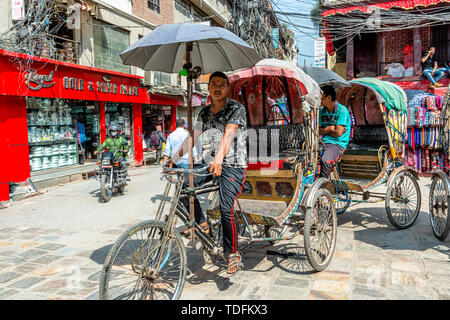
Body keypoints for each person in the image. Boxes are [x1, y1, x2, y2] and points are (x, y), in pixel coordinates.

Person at [167, 71, 247, 275]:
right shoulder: (203, 113)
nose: (217, 87)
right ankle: (203, 224)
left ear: (227, 88)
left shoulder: (236, 108)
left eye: (222, 84)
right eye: (214, 84)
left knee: (226, 208)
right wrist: (173, 159)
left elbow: (229, 134)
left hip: (233, 165)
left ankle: (233, 254)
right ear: (209, 88)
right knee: (183, 186)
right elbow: (192, 139)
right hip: (209, 164)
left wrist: (220, 159)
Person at [319, 85, 351, 179]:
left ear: (328, 97)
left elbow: (338, 134)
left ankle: (323, 186)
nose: (319, 99)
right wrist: (330, 128)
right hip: (323, 142)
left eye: (321, 96)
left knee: (325, 161)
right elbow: (318, 131)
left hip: (337, 144)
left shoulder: (342, 110)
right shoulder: (321, 111)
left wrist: (324, 131)